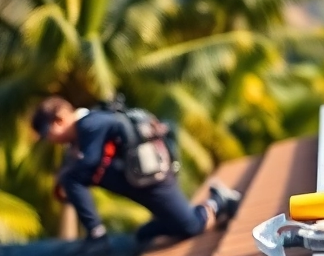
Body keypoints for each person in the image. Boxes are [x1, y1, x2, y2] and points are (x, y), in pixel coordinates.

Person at [31, 95, 241, 247]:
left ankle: (217, 201)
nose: (50, 140)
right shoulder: (77, 140)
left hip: (153, 180)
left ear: (59, 120)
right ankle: (113, 232)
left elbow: (89, 165)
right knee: (144, 234)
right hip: (139, 184)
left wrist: (65, 178)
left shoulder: (90, 124)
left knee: (191, 226)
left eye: (48, 133)